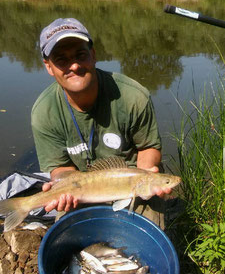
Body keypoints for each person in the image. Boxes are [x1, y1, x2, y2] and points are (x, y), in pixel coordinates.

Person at [31, 17, 172, 228]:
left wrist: (147, 172)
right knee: (71, 235)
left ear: (93, 55)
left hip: (131, 177)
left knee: (145, 229)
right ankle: (24, 206)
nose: (75, 65)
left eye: (80, 55)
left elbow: (148, 146)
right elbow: (60, 168)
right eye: (61, 60)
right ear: (49, 67)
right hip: (79, 189)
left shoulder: (133, 96)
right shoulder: (44, 112)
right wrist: (62, 187)